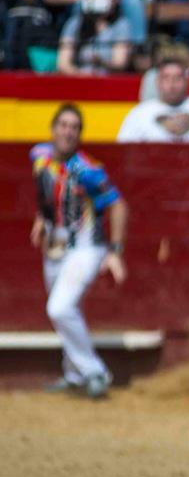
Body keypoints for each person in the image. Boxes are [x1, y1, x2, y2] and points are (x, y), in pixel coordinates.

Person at [30, 104, 128, 399]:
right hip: (55, 247)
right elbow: (47, 194)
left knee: (59, 308)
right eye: (64, 125)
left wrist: (115, 252)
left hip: (86, 247)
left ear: (80, 134)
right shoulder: (38, 157)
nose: (68, 131)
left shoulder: (89, 170)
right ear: (53, 129)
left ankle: (94, 371)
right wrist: (40, 218)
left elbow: (119, 205)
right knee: (69, 309)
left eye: (74, 127)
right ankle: (74, 373)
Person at [117, 57, 189, 142]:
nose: (172, 84)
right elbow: (124, 151)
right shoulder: (139, 113)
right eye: (166, 78)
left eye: (178, 78)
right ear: (157, 82)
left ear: (187, 81)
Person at [56, 0, 133, 73]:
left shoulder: (121, 24)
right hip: (78, 79)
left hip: (107, 80)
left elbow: (119, 63)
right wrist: (81, 76)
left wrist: (100, 61)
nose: (109, 0)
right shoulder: (75, 23)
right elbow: (63, 64)